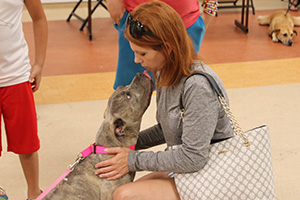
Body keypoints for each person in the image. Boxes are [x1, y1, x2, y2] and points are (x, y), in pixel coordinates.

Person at [94, 1, 233, 199]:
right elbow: (167, 128)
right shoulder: (165, 73)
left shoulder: (197, 87)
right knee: (120, 191)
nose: (136, 60)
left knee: (125, 195)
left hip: (212, 172)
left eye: (142, 53)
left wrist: (133, 159)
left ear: (167, 48)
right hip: (191, 168)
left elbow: (193, 158)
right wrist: (128, 144)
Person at [105, 0, 213, 89]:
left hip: (186, 24)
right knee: (128, 97)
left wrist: (210, 11)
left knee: (183, 93)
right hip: (138, 25)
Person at [0, 0, 48, 199]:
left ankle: (33, 192)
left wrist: (39, 64)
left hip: (16, 75)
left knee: (26, 141)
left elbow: (39, 18)